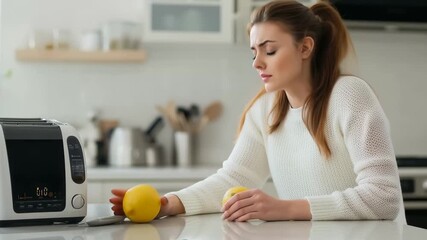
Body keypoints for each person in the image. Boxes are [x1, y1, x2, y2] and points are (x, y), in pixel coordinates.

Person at [110, 0, 405, 223]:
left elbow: (383, 196)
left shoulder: (348, 96)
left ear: (305, 48)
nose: (257, 63)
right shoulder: (265, 110)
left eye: (270, 50)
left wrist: (285, 208)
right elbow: (233, 179)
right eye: (254, 52)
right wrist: (170, 203)